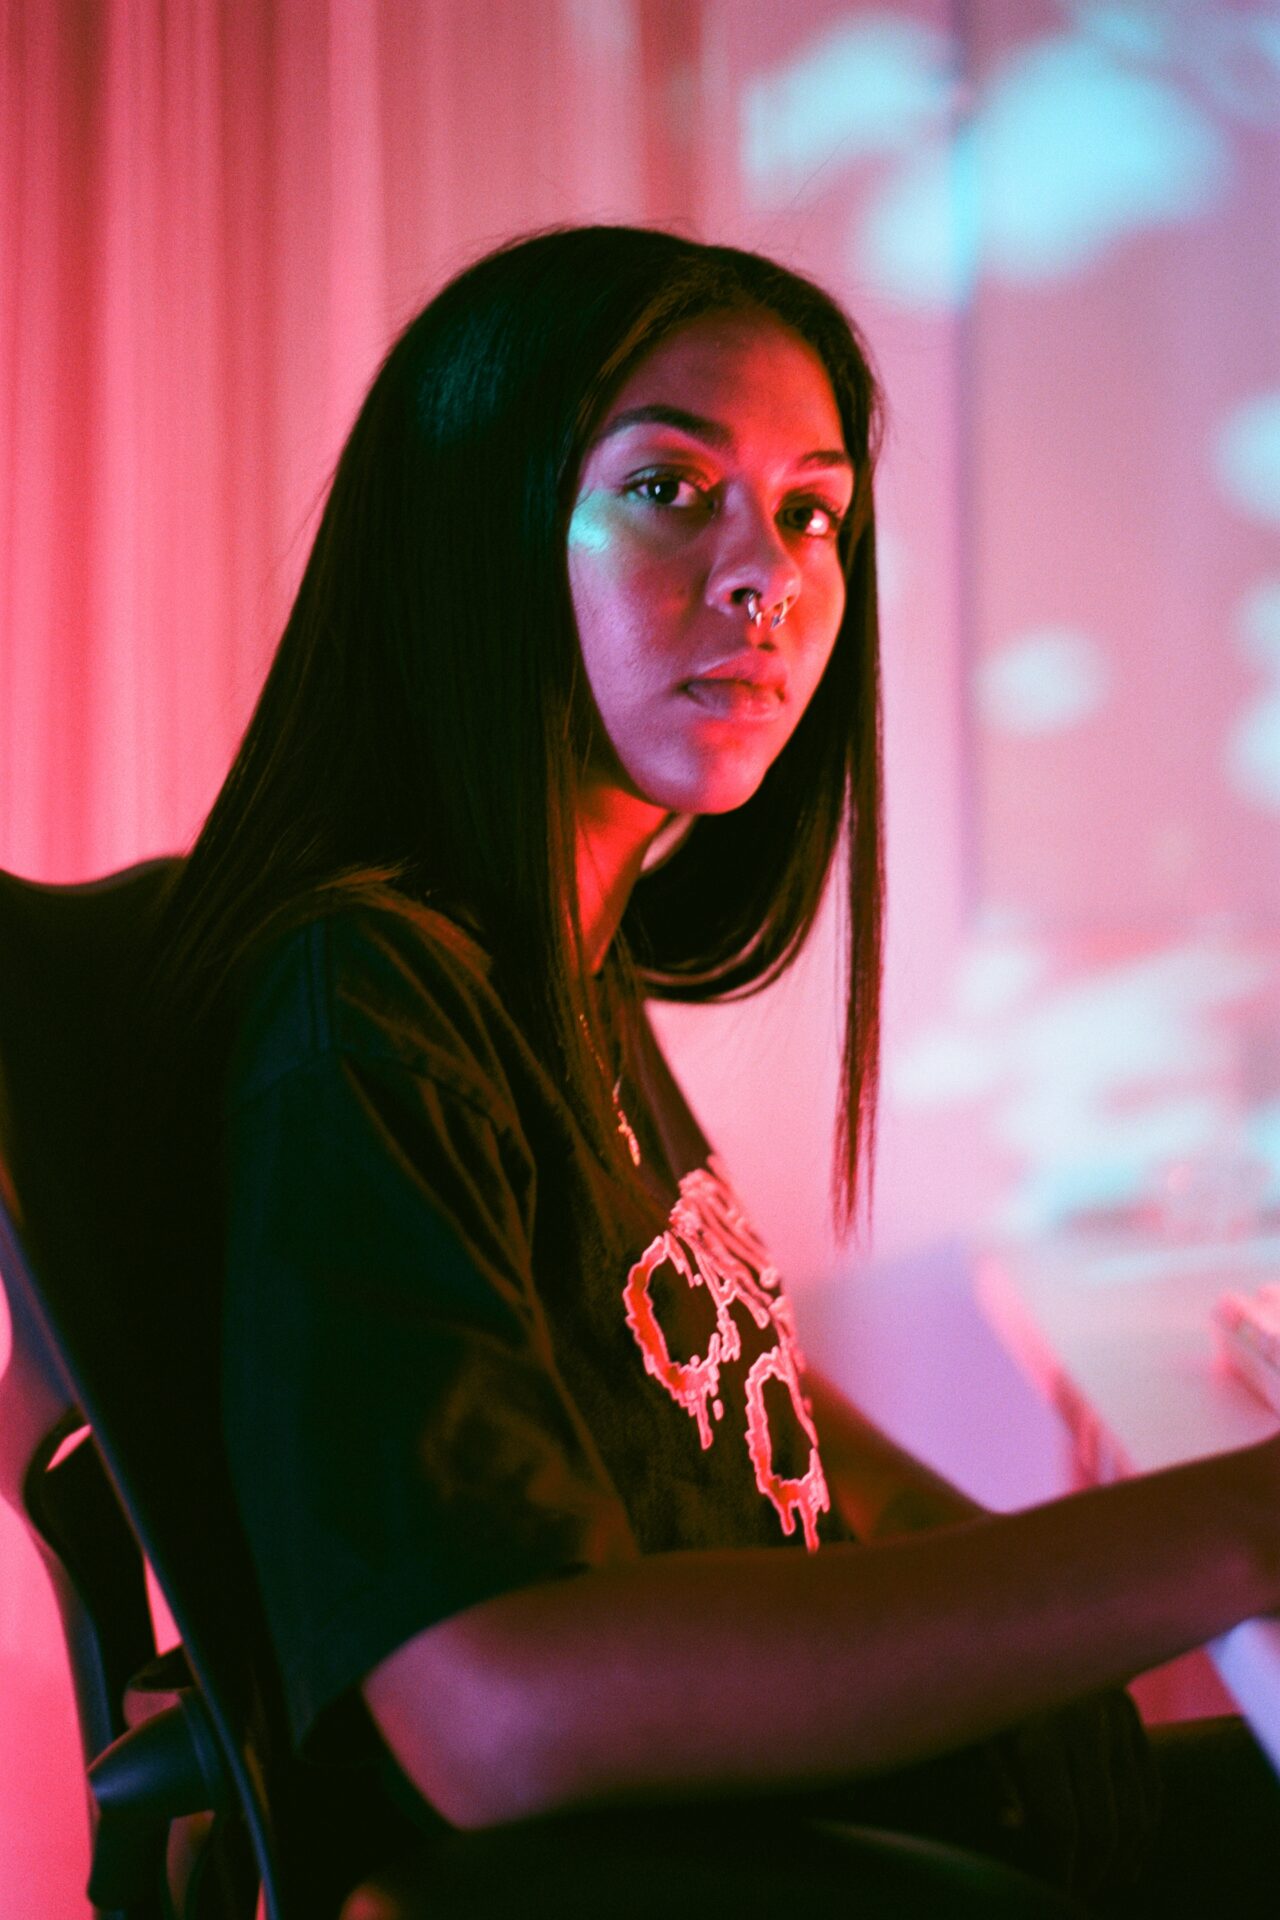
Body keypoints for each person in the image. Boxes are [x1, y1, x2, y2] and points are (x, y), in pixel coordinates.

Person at [150, 227, 1280, 1917]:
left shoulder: (555, 958)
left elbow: (749, 1415)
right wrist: (1233, 1536)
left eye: (814, 510)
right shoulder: (366, 998)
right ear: (479, 528)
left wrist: (1098, 1571)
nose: (771, 574)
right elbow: (487, 1701)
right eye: (674, 489)